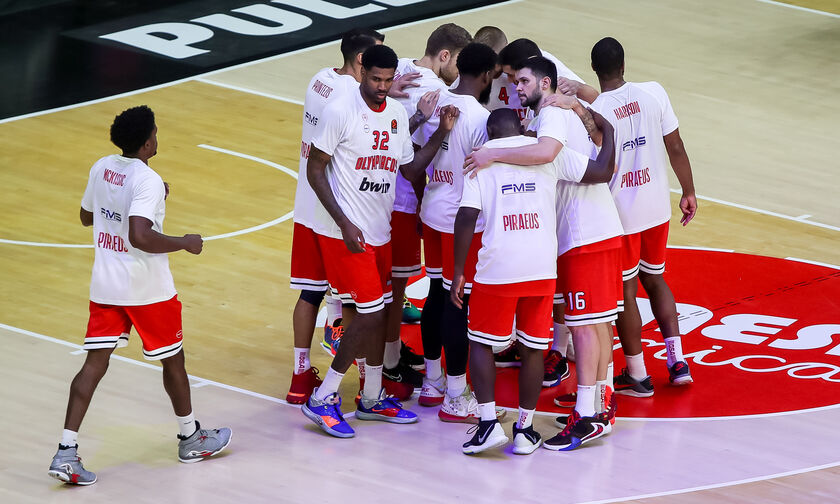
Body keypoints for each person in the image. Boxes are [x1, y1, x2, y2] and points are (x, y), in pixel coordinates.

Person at [48, 106, 231, 486]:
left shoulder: (102, 166)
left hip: (106, 284)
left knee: (93, 366)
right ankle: (189, 437)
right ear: (148, 141)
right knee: (173, 362)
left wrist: (137, 199)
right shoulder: (147, 180)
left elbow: (87, 216)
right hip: (146, 288)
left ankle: (66, 451)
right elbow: (140, 236)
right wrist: (185, 242)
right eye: (156, 133)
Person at [463, 56, 620, 451]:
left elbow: (549, 153)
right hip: (558, 252)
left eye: (523, 80)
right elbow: (601, 167)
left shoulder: (548, 119)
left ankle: (587, 414)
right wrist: (602, 123)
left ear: (545, 83)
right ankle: (595, 405)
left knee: (583, 325)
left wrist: (490, 154)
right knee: (589, 325)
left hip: (581, 236)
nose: (516, 87)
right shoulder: (541, 129)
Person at [301, 44, 458, 438]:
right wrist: (343, 221)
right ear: (362, 71)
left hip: (379, 231)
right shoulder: (341, 111)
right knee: (370, 314)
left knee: (380, 311)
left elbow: (409, 169)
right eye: (375, 79)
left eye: (388, 81)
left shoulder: (394, 115)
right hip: (345, 233)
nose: (382, 87)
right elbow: (315, 170)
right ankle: (322, 397)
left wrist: (441, 132)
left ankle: (371, 397)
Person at [589, 37, 697, 395]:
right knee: (657, 280)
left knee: (626, 293)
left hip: (622, 215)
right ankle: (678, 361)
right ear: (623, 65)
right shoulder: (653, 92)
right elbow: (676, 145)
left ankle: (637, 374)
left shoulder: (597, 109)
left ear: (595, 70)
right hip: (656, 206)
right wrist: (689, 191)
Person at [287, 28, 384, 405]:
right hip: (336, 212)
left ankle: (299, 376)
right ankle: (364, 377)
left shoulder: (320, 79)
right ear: (362, 61)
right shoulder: (350, 97)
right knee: (362, 302)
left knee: (309, 291)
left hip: (307, 205)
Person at [412, 42, 505, 424]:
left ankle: (432, 381)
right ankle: (454, 394)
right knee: (457, 303)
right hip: (462, 222)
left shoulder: (434, 103)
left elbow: (416, 155)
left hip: (433, 211)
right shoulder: (482, 119)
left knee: (435, 293)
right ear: (486, 77)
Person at [386, 22, 473, 386]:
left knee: (389, 287)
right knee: (395, 288)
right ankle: (387, 367)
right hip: (405, 201)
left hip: (375, 193)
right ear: (445, 56)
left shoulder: (400, 68)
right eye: (458, 64)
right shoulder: (438, 93)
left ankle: (390, 356)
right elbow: (423, 159)